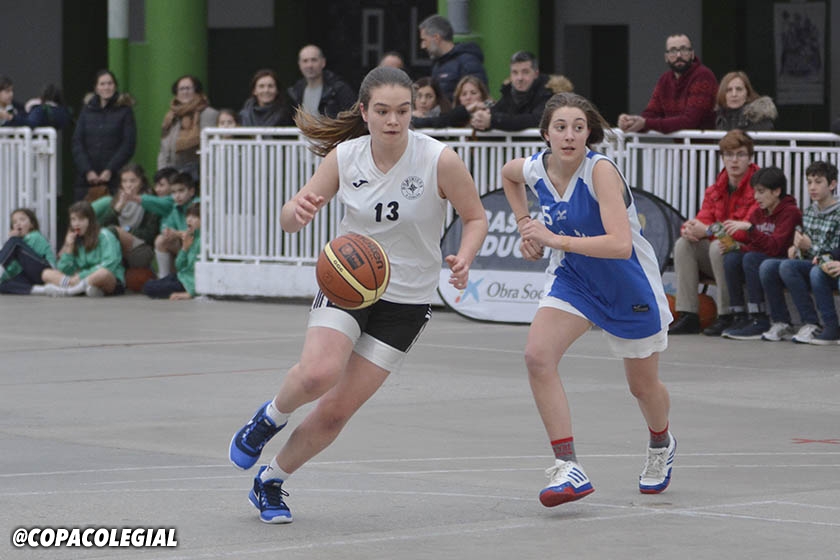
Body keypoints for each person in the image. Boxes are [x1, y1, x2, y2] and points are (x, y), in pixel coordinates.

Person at [227, 66, 488, 524]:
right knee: (318, 374)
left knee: (335, 412)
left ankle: (270, 481)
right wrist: (296, 211)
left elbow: (476, 217)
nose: (393, 120)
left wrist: (464, 257)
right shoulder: (345, 157)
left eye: (403, 111)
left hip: (407, 301)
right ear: (364, 112)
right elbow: (288, 219)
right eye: (383, 111)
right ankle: (269, 417)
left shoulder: (438, 159)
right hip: (349, 282)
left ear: (413, 111)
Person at [501, 92, 675, 507]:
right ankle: (568, 466)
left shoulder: (600, 172)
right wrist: (526, 224)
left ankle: (661, 443)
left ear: (588, 134)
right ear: (546, 134)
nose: (569, 135)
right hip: (574, 280)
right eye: (560, 127)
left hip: (627, 285)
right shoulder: (535, 168)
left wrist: (551, 238)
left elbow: (619, 245)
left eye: (578, 128)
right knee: (537, 357)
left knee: (642, 387)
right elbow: (508, 175)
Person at [668, 130, 759, 335]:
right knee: (684, 244)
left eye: (740, 154)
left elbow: (748, 232)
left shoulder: (759, 186)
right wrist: (689, 230)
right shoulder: (715, 189)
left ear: (750, 157)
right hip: (718, 254)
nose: (734, 160)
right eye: (729, 154)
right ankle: (688, 314)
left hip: (747, 255)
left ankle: (727, 314)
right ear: (722, 157)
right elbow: (702, 220)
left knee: (719, 246)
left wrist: (708, 230)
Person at [759, 161, 840, 344]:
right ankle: (781, 322)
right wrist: (796, 249)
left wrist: (808, 247)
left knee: (791, 267)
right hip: (811, 263)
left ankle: (812, 323)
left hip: (827, 267)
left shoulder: (838, 212)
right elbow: (805, 249)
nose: (812, 187)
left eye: (818, 182)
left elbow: (833, 253)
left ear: (832, 184)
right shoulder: (809, 211)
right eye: (809, 182)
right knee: (768, 266)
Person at [720, 167, 802, 340]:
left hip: (780, 261)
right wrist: (736, 247)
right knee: (732, 258)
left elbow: (775, 248)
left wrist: (751, 229)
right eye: (755, 192)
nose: (756, 197)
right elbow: (754, 245)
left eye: (761, 192)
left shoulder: (790, 212)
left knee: (751, 259)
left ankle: (760, 318)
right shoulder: (758, 213)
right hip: (762, 257)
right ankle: (739, 316)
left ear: (777, 191)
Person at [618, 34, 717, 134]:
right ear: (666, 57)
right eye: (673, 51)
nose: (679, 55)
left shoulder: (703, 76)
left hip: (707, 143)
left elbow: (690, 121)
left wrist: (645, 123)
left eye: (684, 50)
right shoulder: (665, 80)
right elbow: (651, 113)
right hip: (683, 143)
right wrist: (631, 122)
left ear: (692, 54)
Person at [71, 69, 136, 201]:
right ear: (96, 88)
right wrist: (87, 170)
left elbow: (128, 144)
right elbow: (77, 142)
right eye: (102, 84)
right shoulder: (86, 110)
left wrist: (110, 169)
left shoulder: (125, 111)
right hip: (86, 179)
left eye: (110, 83)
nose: (106, 87)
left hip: (114, 177)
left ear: (115, 86)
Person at [41, 201, 125, 297]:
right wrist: (69, 248)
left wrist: (82, 276)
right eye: (73, 219)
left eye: (81, 219)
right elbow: (65, 270)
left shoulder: (105, 235)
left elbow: (110, 263)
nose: (76, 224)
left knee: (103, 273)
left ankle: (69, 291)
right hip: (80, 280)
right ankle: (88, 289)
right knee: (46, 273)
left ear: (90, 220)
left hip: (110, 280)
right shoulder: (75, 239)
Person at [471, 51, 569, 132]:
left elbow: (536, 119)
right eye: (515, 72)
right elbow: (495, 113)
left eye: (525, 72)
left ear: (536, 73)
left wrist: (493, 121)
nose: (520, 78)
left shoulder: (549, 92)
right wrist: (480, 120)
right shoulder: (508, 92)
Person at [127, 172, 198, 279]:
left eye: (181, 191)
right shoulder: (175, 207)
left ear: (191, 191)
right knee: (161, 239)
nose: (177, 195)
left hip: (198, 249)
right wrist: (167, 231)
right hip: (185, 248)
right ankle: (164, 277)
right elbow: (166, 226)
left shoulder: (197, 205)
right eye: (174, 192)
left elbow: (196, 234)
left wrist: (176, 233)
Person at [94, 163, 160, 271]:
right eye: (124, 181)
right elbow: (101, 226)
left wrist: (126, 230)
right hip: (117, 247)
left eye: (133, 181)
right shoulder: (118, 198)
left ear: (141, 181)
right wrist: (117, 209)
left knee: (112, 230)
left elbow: (149, 235)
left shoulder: (150, 200)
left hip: (141, 249)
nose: (128, 185)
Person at [157, 74, 219, 178]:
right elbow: (163, 149)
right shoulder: (171, 116)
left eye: (188, 88)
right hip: (171, 173)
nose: (185, 92)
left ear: (196, 90)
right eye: (181, 89)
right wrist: (162, 173)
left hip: (198, 174)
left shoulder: (209, 114)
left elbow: (211, 148)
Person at [418, 14, 488, 103]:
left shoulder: (468, 62)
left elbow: (479, 97)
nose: (423, 46)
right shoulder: (437, 65)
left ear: (436, 38)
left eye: (424, 40)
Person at [142, 202, 200, 300]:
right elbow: (179, 266)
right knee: (148, 284)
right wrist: (184, 248)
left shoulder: (203, 242)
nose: (189, 220)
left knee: (149, 288)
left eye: (194, 217)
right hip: (181, 277)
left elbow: (199, 273)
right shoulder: (191, 236)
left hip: (189, 284)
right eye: (188, 216)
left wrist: (190, 293)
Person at [287, 45, 355, 119]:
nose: (309, 65)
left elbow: (352, 116)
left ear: (323, 62)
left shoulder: (339, 89)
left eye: (314, 60)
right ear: (299, 64)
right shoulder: (295, 92)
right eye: (305, 61)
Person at [0, 208, 56, 295]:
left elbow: (17, 265)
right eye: (14, 222)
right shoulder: (19, 243)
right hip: (31, 276)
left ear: (31, 225)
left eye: (22, 220)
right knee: (3, 285)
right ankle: (42, 290)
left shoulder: (35, 236)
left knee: (14, 242)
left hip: (46, 271)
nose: (18, 223)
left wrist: (12, 239)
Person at [411, 74, 492, 129]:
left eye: (473, 93)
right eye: (464, 94)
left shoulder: (492, 111)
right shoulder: (452, 116)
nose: (468, 97)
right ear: (458, 98)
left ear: (482, 95)